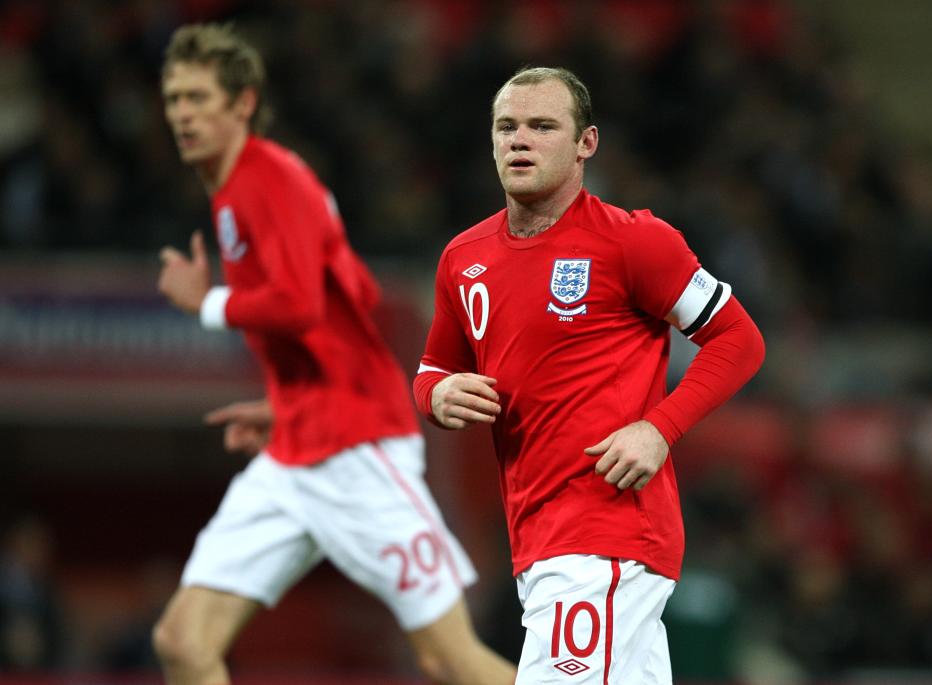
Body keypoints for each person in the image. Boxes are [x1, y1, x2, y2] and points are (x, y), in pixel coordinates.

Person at [153, 23, 516, 685]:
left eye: (198, 97)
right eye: (174, 97)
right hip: (297, 447)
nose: (182, 113)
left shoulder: (273, 179)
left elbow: (298, 306)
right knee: (182, 639)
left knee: (448, 656)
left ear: (242, 103)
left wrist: (203, 302)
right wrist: (290, 401)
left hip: (359, 449)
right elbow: (352, 293)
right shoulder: (235, 193)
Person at [413, 67, 766, 684]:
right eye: (507, 127)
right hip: (538, 539)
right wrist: (436, 393)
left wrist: (660, 429)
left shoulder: (635, 243)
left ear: (586, 143)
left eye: (543, 126)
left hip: (604, 536)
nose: (520, 140)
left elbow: (738, 338)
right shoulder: (464, 259)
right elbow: (433, 368)